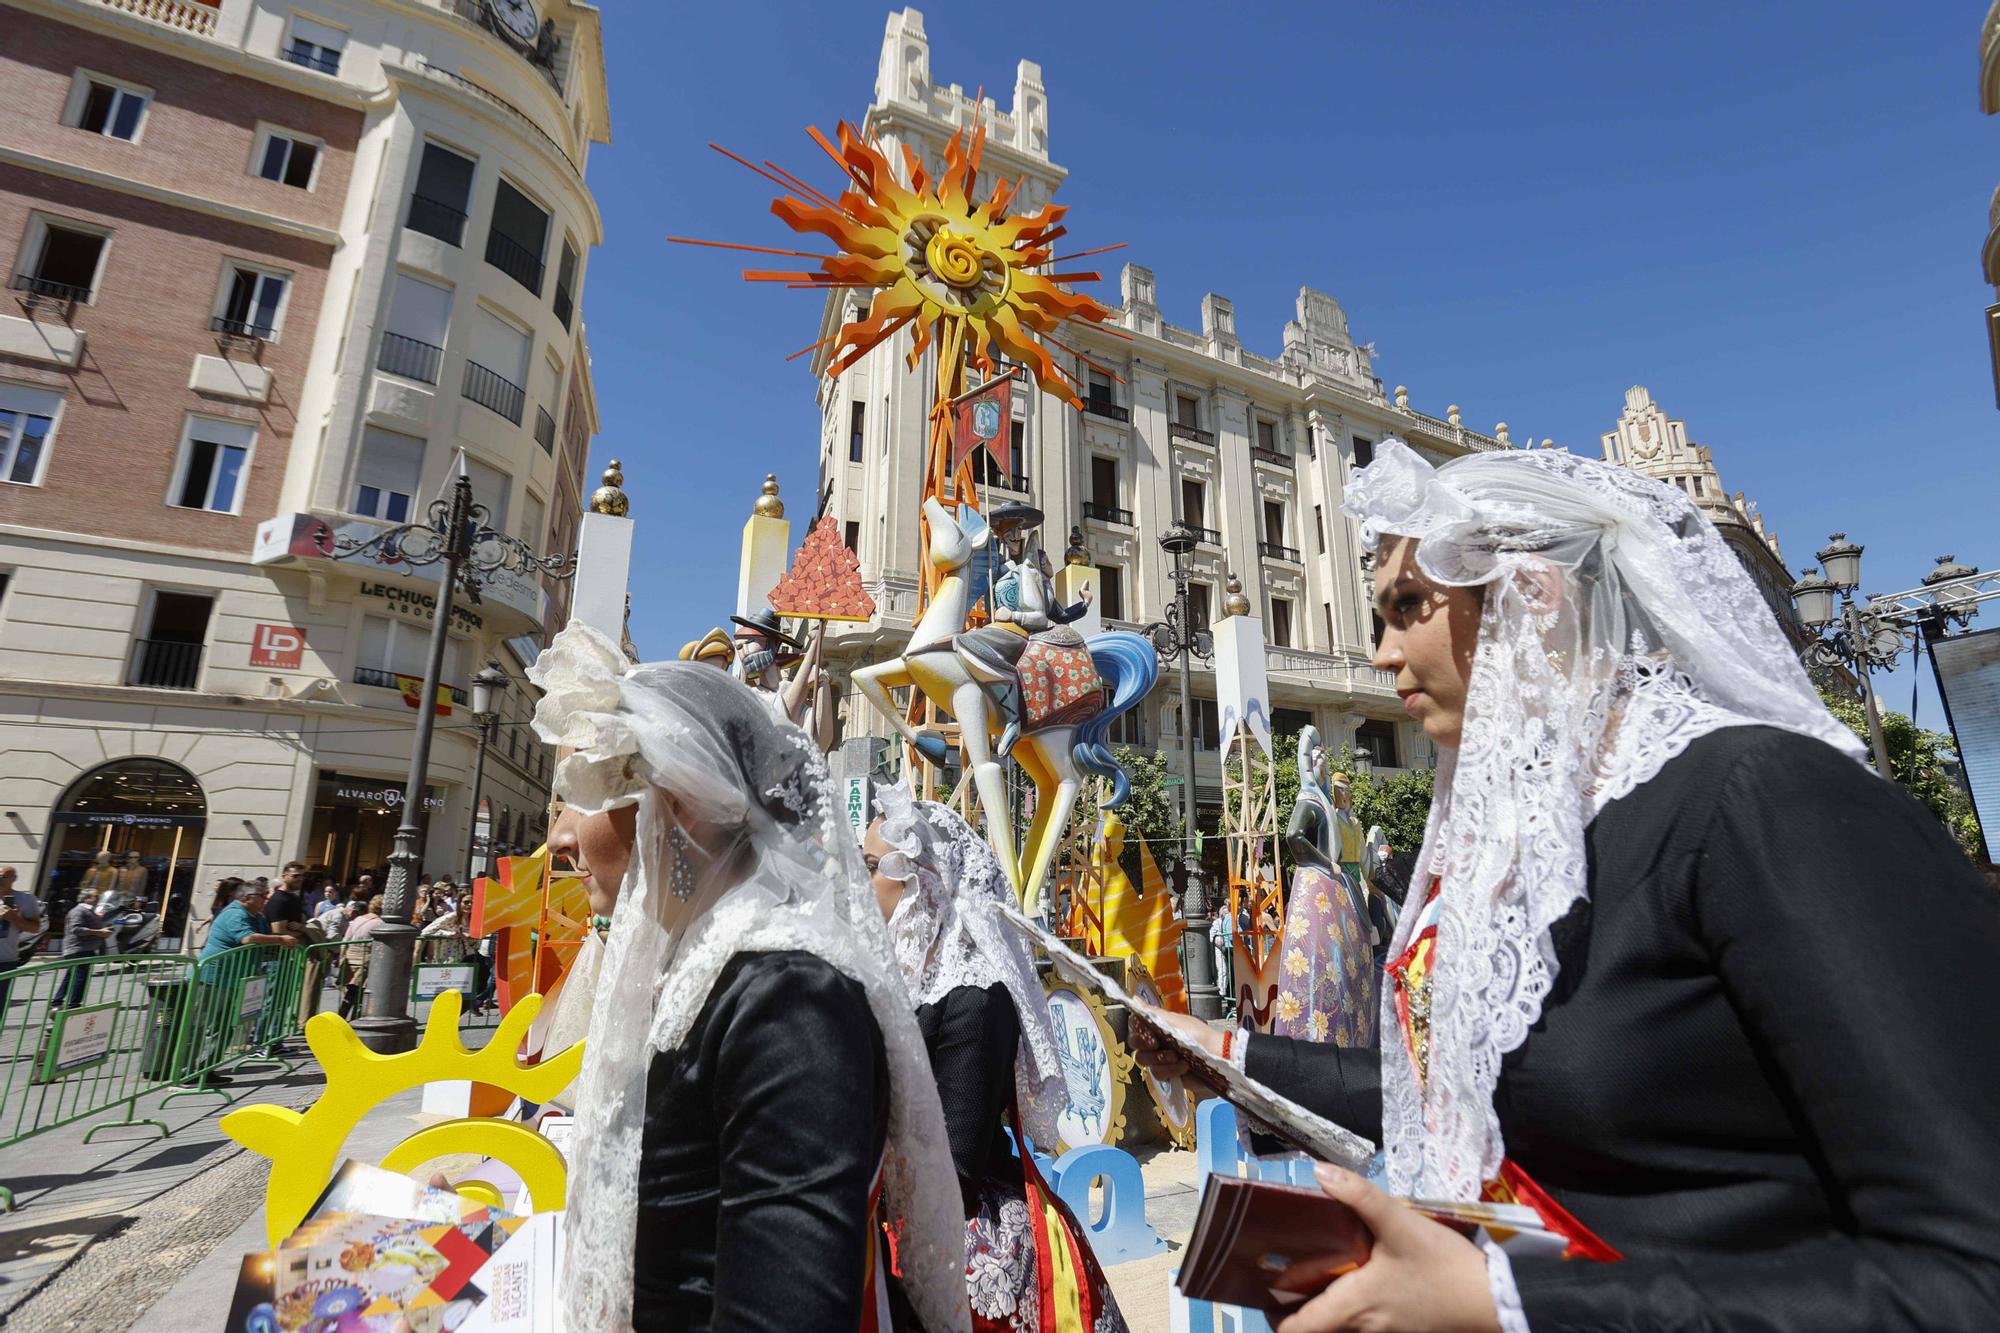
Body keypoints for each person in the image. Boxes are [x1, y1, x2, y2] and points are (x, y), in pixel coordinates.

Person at [1134, 438, 2000, 1332]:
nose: (1384, 653)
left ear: (1532, 597)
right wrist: (1227, 1053)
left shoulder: (1764, 799)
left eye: (1407, 606)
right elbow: (1466, 1092)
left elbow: (1970, 1275)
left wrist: (1508, 1304)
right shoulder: (1518, 847)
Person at [533, 621, 969, 1333]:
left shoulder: (792, 1006)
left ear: (683, 802)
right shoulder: (708, 973)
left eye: (588, 791)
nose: (559, 836)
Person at [865, 783, 1129, 1332]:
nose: (859, 885)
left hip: (954, 1229)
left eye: (871, 867)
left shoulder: (977, 998)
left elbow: (954, 1166)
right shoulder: (905, 983)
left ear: (924, 879)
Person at [1272, 727, 1377, 1047]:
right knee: (1317, 961)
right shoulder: (1309, 801)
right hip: (1316, 885)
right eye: (1316, 759)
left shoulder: (1325, 803)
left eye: (1323, 760)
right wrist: (1325, 863)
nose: (1322, 764)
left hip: (1330, 886)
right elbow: (1294, 836)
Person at [53, 886, 115, 1008]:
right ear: (86, 898)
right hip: (78, 949)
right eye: (95, 896)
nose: (98, 899)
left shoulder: (89, 911)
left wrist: (103, 929)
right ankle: (74, 1003)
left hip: (83, 949)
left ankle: (58, 1001)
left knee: (71, 976)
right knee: (80, 977)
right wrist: (98, 932)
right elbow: (76, 929)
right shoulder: (79, 911)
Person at [0, 866, 44, 1021]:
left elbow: (34, 928)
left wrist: (15, 918)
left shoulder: (25, 900)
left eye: (4, 876)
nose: (0, 879)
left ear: (14, 879)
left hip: (5, 961)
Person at [338, 895, 386, 1019]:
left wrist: (341, 958)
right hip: (366, 957)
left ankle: (342, 1017)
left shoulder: (358, 919)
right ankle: (354, 1018)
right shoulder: (381, 923)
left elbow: (346, 939)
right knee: (358, 991)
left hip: (351, 955)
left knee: (351, 990)